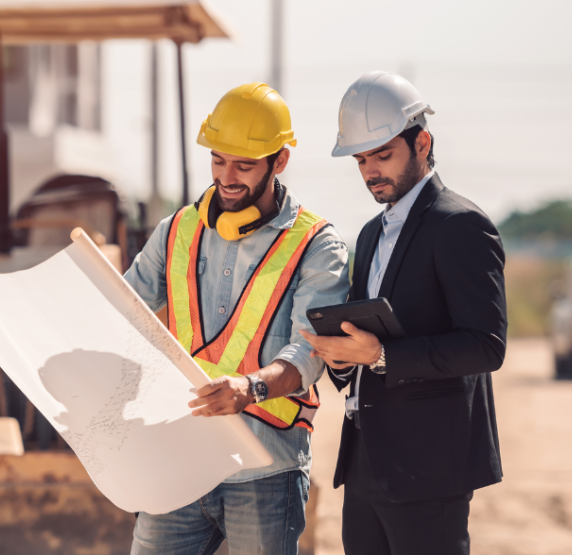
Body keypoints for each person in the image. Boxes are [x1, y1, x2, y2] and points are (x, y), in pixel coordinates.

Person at [124, 82, 350, 555]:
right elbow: (121, 309)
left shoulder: (317, 246)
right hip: (179, 459)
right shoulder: (177, 229)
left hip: (265, 469)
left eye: (244, 165)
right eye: (218, 160)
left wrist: (251, 388)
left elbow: (309, 352)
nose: (227, 177)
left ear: (279, 161)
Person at [300, 71, 507, 555]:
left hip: (431, 468)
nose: (371, 171)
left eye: (383, 155)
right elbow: (365, 339)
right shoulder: (370, 234)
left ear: (422, 143)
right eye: (361, 160)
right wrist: (343, 357)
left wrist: (382, 356)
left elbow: (486, 345)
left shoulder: (461, 225)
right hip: (365, 462)